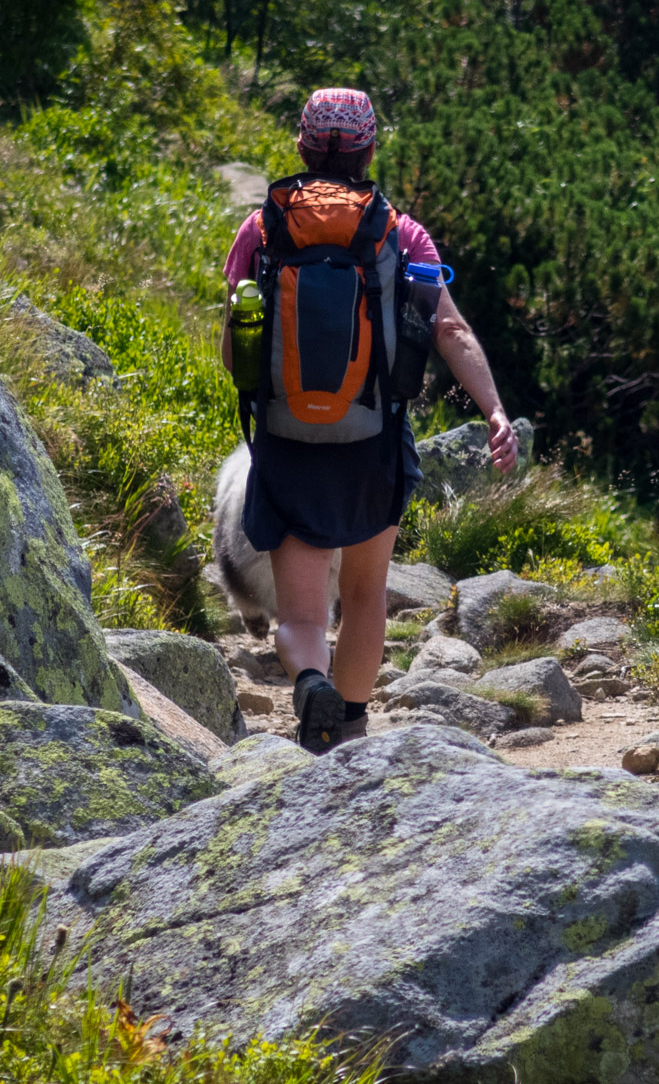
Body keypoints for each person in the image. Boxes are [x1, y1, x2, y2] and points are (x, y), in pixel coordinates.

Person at [221, 88, 517, 752]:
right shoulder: (399, 231)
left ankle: (308, 687)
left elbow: (233, 340)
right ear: (370, 149)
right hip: (372, 440)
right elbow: (449, 327)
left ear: (301, 145)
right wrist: (494, 411)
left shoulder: (261, 228)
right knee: (364, 595)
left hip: (287, 437)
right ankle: (351, 728)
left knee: (299, 615)